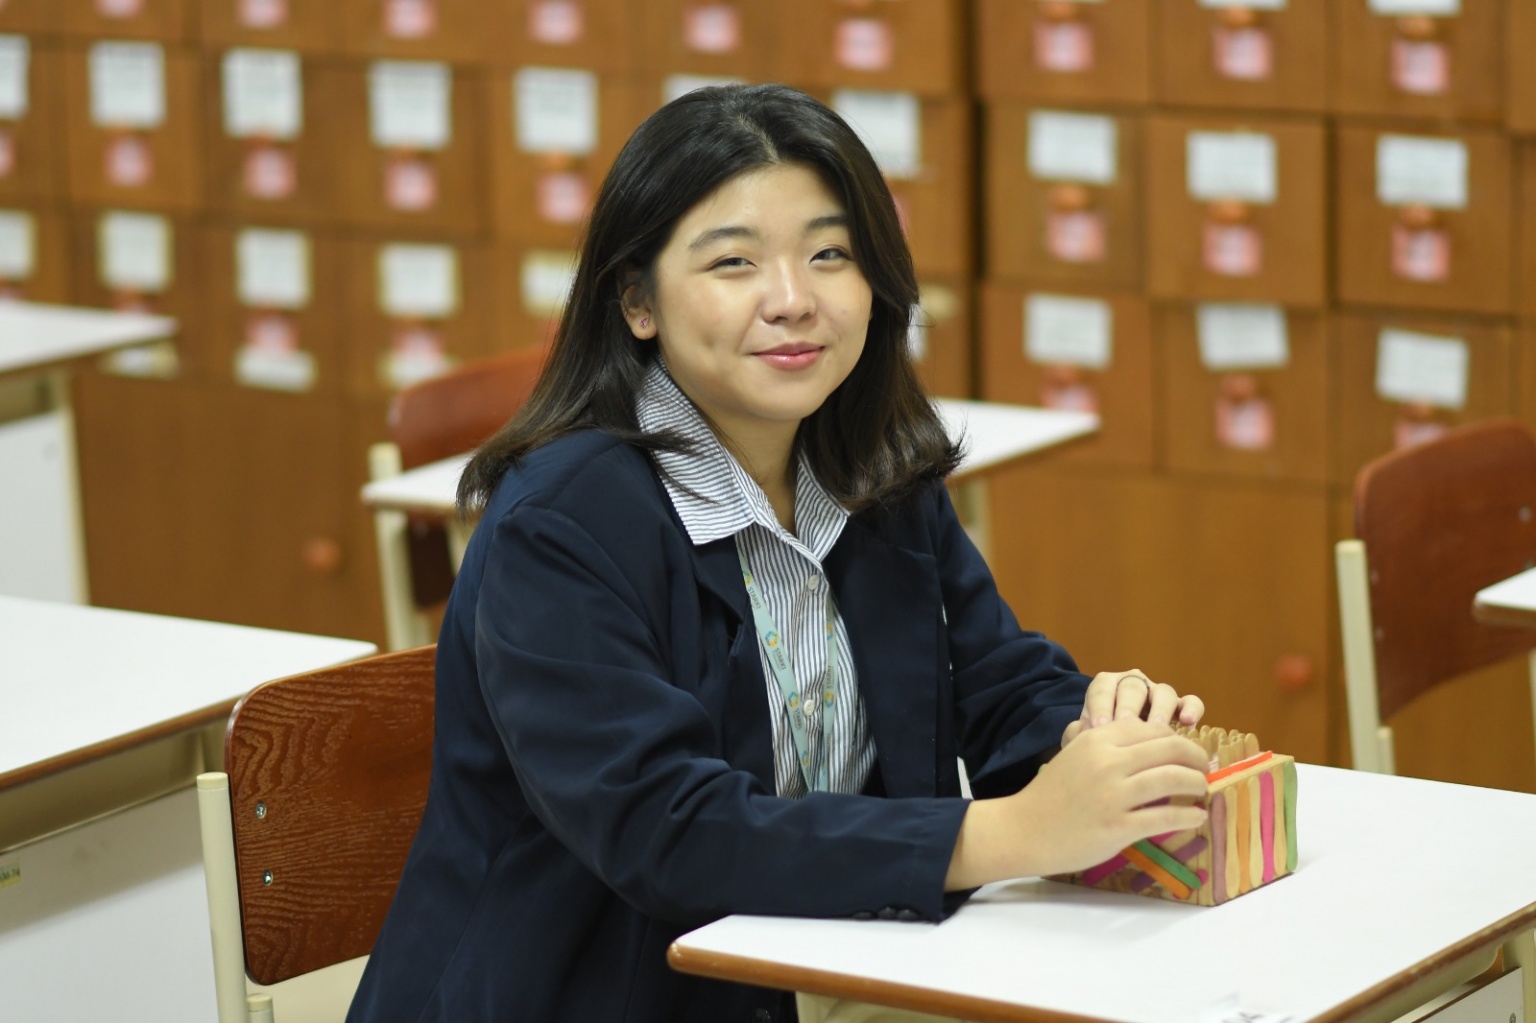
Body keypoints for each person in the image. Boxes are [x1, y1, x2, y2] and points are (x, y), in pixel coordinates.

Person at [347, 83, 1210, 1023]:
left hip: (818, 976)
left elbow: (997, 682)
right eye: (733, 263)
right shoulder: (558, 525)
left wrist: (1099, 741)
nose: (793, 300)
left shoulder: (872, 464)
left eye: (830, 254)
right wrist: (1006, 832)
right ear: (636, 300)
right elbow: (671, 830)